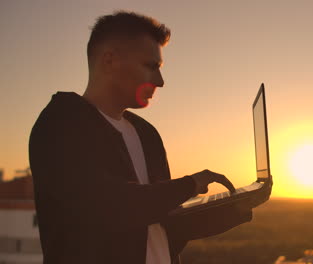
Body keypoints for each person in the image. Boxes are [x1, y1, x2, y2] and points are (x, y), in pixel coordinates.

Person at [29, 11, 270, 264]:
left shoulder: (146, 134)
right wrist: (190, 184)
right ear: (109, 60)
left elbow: (166, 224)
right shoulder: (60, 123)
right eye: (151, 66)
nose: (160, 81)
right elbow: (108, 207)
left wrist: (237, 208)